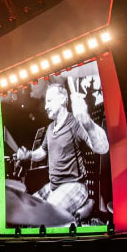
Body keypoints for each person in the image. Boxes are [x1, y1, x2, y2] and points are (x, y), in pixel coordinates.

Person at [15, 81, 109, 219]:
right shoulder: (50, 128)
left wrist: (87, 122)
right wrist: (28, 155)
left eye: (49, 101)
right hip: (54, 187)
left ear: (63, 99)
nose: (46, 106)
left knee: (46, 214)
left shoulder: (75, 123)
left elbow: (102, 148)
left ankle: (85, 209)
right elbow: (42, 153)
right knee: (25, 210)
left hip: (75, 186)